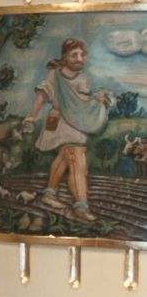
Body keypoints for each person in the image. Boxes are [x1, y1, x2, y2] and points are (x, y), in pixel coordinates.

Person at [32, 36, 111, 215]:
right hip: (60, 123)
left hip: (76, 124)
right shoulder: (54, 74)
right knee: (77, 159)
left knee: (64, 158)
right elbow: (42, 96)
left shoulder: (81, 78)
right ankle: (81, 205)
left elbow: (81, 102)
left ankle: (49, 194)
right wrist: (31, 117)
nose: (80, 59)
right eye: (74, 55)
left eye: (82, 55)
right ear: (65, 57)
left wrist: (96, 100)